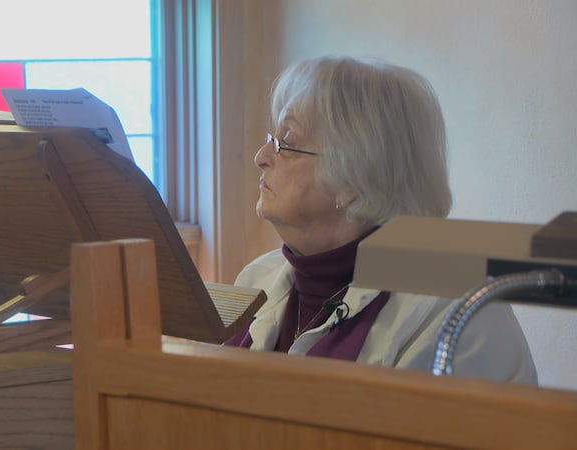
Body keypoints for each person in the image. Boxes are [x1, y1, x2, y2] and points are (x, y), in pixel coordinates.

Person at [224, 56, 537, 385]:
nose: (261, 157)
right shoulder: (258, 277)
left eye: (288, 142)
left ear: (352, 181)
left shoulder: (462, 311)